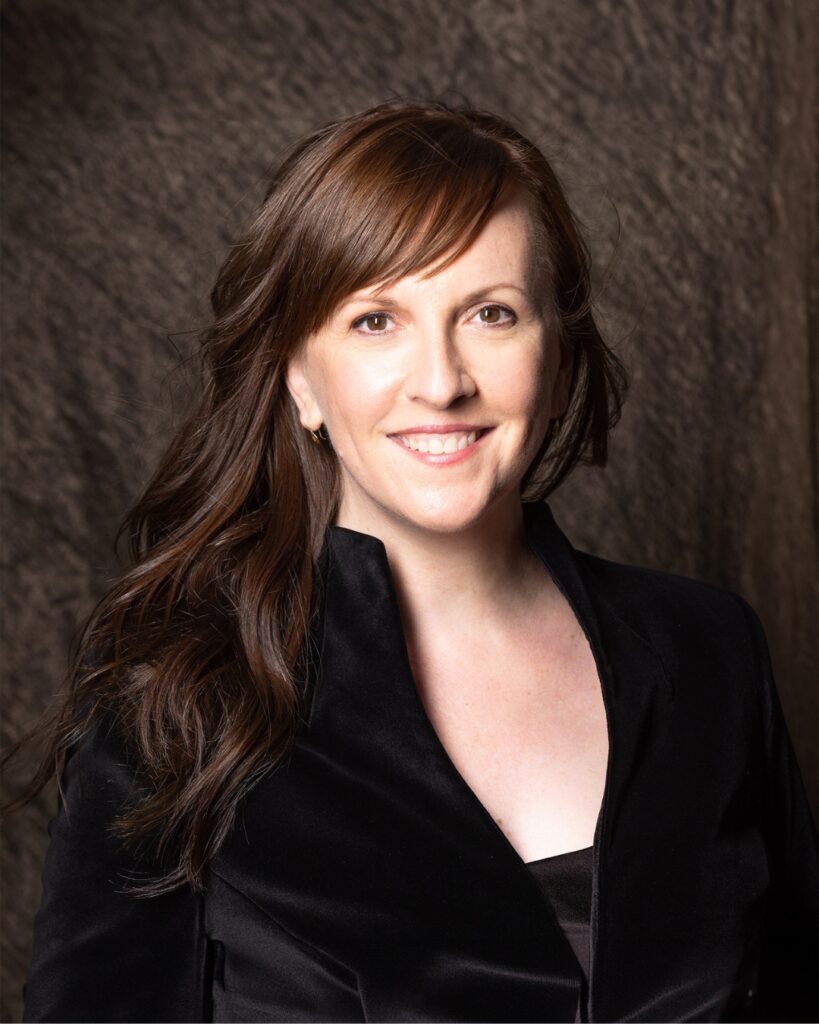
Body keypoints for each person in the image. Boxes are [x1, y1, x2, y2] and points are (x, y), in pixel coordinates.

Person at [10, 99, 817, 1023]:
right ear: (300, 379)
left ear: (555, 361)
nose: (440, 381)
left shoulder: (710, 653)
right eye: (374, 321)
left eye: (490, 313)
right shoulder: (177, 700)